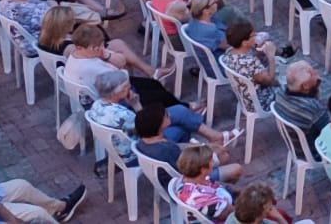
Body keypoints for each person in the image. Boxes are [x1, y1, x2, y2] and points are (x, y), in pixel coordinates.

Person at [87, 70, 233, 171]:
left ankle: (213, 137)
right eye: (126, 87)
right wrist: (136, 105)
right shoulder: (123, 115)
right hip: (139, 151)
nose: (130, 88)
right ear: (118, 92)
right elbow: (147, 132)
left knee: (178, 111)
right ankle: (187, 161)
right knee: (182, 128)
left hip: (123, 145)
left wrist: (135, 104)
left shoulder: (97, 104)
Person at [221, 20, 288, 109]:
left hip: (245, 96)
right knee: (293, 84)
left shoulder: (228, 53)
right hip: (260, 102)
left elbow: (250, 71)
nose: (256, 36)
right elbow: (270, 81)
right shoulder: (250, 62)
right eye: (253, 35)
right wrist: (271, 56)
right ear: (244, 42)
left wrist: (258, 53)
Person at [171, 145, 235, 220]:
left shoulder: (186, 178)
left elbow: (214, 185)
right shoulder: (201, 198)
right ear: (203, 169)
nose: (213, 162)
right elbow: (233, 215)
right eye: (211, 161)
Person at [224, 182, 306, 224]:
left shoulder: (232, 216)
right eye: (269, 208)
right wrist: (279, 218)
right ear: (258, 216)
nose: (272, 208)